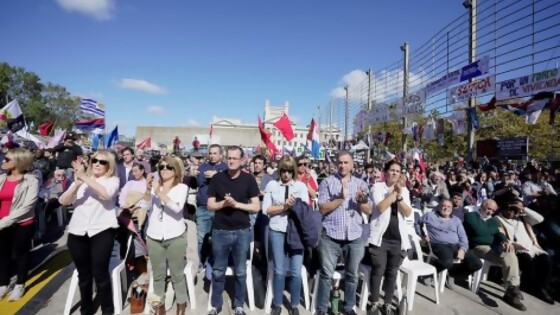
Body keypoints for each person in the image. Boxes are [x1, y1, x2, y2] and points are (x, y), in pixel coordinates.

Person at [58, 150, 120, 315]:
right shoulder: (81, 180)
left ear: (109, 166)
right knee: (84, 276)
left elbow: (106, 194)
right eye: (95, 161)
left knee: (100, 274)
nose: (97, 164)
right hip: (77, 232)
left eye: (102, 162)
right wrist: (77, 184)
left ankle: (107, 310)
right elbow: (63, 201)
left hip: (102, 231)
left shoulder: (112, 180)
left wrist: (84, 176)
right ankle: (86, 309)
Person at [315, 151, 372, 315]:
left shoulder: (361, 184)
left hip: (354, 237)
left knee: (352, 275)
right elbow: (323, 209)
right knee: (326, 275)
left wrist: (361, 202)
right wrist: (340, 198)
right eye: (340, 162)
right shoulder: (327, 182)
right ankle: (321, 309)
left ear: (352, 165)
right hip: (331, 237)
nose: (342, 165)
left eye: (346, 162)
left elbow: (368, 210)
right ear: (335, 164)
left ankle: (348, 307)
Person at [206, 146, 260, 315]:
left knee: (241, 271)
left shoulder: (249, 179)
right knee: (218, 270)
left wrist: (236, 204)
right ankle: (215, 305)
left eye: (234, 158)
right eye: (229, 158)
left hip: (241, 231)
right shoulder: (217, 179)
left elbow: (256, 206)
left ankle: (238, 305)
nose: (231, 161)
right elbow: (210, 205)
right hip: (220, 231)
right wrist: (224, 203)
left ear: (242, 160)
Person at [262, 156, 309, 315]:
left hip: (296, 232)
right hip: (277, 230)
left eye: (289, 171)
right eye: (283, 171)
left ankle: (294, 304)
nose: (286, 174)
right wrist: (284, 206)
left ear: (293, 171)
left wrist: (294, 206)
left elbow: (305, 211)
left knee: (296, 271)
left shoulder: (301, 186)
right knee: (279, 270)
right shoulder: (272, 185)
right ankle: (277, 303)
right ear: (280, 171)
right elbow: (266, 210)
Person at [144, 156, 190, 315]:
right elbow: (144, 205)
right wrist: (147, 190)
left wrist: (158, 191)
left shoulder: (182, 188)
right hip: (154, 235)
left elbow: (176, 208)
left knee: (177, 275)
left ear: (175, 170)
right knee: (157, 276)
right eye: (161, 167)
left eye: (168, 167)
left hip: (175, 236)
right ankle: (159, 307)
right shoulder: (154, 187)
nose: (164, 169)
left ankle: (181, 305)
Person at [366, 160, 412, 315]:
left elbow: (407, 212)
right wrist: (394, 193)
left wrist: (399, 197)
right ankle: (373, 302)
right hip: (380, 237)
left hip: (398, 238)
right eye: (391, 170)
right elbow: (381, 207)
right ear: (385, 172)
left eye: (397, 171)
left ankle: (387, 304)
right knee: (378, 269)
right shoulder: (377, 187)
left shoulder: (404, 191)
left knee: (393, 271)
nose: (394, 173)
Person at [463, 199, 526, 311]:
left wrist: (505, 241)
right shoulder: (471, 215)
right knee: (509, 260)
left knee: (509, 252)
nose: (490, 212)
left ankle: (512, 288)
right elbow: (479, 232)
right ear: (482, 206)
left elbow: (499, 234)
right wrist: (493, 232)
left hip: (491, 247)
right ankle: (511, 293)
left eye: (493, 210)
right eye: (488, 209)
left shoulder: (493, 220)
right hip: (476, 247)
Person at [496, 200, 554, 304]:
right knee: (527, 261)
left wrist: (523, 209)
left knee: (546, 261)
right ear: (504, 209)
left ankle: (541, 288)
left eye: (514, 210)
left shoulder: (523, 218)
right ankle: (528, 286)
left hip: (532, 247)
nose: (512, 212)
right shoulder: (499, 219)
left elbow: (540, 219)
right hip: (517, 248)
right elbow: (500, 235)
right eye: (510, 209)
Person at [417, 198, 482, 290]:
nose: (446, 208)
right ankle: (430, 274)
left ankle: (453, 274)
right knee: (448, 262)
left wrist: (463, 249)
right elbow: (417, 223)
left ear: (452, 208)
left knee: (476, 263)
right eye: (444, 206)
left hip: (456, 245)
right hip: (438, 244)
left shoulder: (456, 220)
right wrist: (422, 235)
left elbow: (463, 236)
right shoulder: (430, 215)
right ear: (439, 206)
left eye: (448, 206)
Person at [0, 148, 39, 301]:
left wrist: (4, 222)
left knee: (20, 254)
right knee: (2, 255)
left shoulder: (31, 181)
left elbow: (27, 206)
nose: (3, 161)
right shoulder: (2, 178)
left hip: (22, 224)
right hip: (2, 224)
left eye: (7, 159)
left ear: (18, 162)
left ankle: (20, 284)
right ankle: (3, 284)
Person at [196, 144, 227, 264]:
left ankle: (216, 261)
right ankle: (201, 262)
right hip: (203, 207)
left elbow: (227, 184)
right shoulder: (203, 167)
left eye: (215, 153)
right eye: (210, 153)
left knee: (218, 237)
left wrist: (216, 176)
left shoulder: (226, 168)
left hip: (219, 207)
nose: (212, 156)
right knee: (201, 237)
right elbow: (200, 183)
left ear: (220, 155)